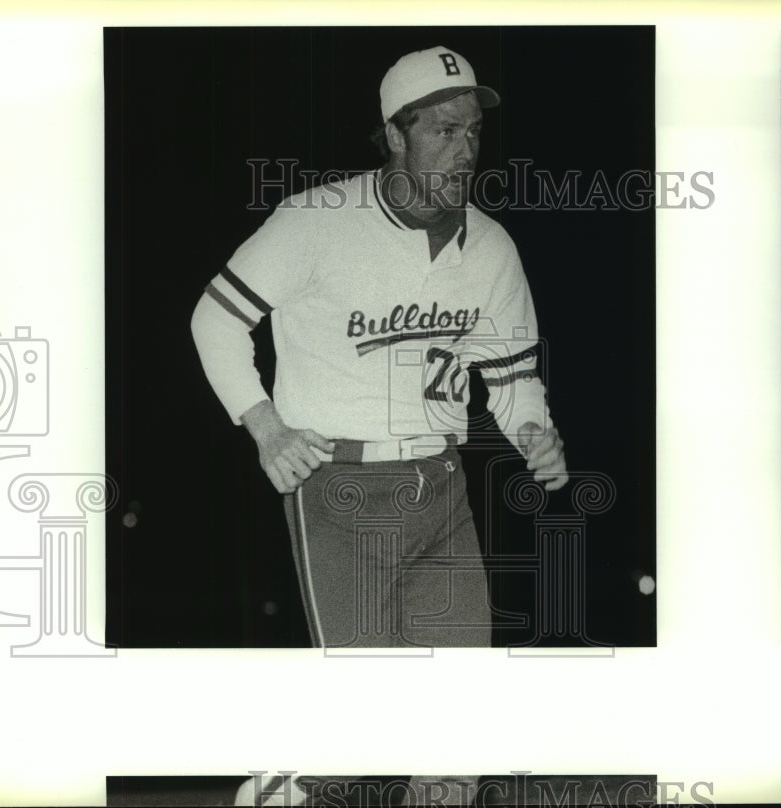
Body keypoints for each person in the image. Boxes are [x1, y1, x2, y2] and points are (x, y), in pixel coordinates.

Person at [197, 42, 567, 808]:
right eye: (442, 131)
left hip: (442, 483)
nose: (463, 149)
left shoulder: (492, 247)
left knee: (457, 729)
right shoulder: (314, 221)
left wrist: (533, 429)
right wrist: (265, 425)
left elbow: (509, 376)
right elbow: (215, 318)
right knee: (367, 725)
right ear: (395, 136)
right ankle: (285, 789)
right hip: (341, 486)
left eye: (471, 131)